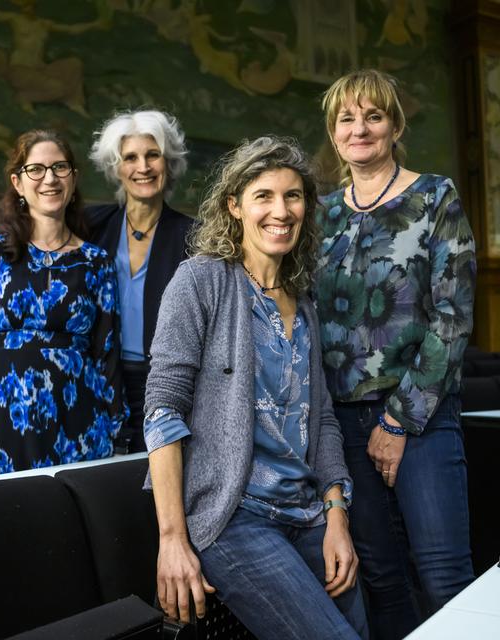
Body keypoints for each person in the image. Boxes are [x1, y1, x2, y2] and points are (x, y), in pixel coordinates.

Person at [144, 135, 368, 640]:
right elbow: (161, 410)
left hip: (307, 513)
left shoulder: (304, 301)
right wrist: (173, 539)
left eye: (293, 196)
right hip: (234, 518)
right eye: (263, 196)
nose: (281, 210)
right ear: (234, 206)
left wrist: (337, 516)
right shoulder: (200, 280)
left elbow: (323, 420)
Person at [316, 69, 476, 639]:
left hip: (421, 416)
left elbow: (453, 319)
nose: (360, 129)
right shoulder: (320, 214)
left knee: (442, 577)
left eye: (373, 116)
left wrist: (397, 419)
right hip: (342, 424)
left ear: (395, 125)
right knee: (380, 581)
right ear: (334, 134)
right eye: (347, 119)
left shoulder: (435, 196)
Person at [0, 129, 128, 480]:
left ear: (74, 179)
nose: (50, 179)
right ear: (18, 182)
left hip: (81, 427)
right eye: (36, 169)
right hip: (1, 426)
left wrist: (119, 434)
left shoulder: (97, 262)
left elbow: (107, 354)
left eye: (60, 167)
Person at [87, 109, 194, 452]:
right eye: (130, 157)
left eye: (153, 155)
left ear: (169, 162)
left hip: (166, 385)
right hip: (101, 382)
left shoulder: (194, 236)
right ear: (116, 168)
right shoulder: (92, 228)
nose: (143, 167)